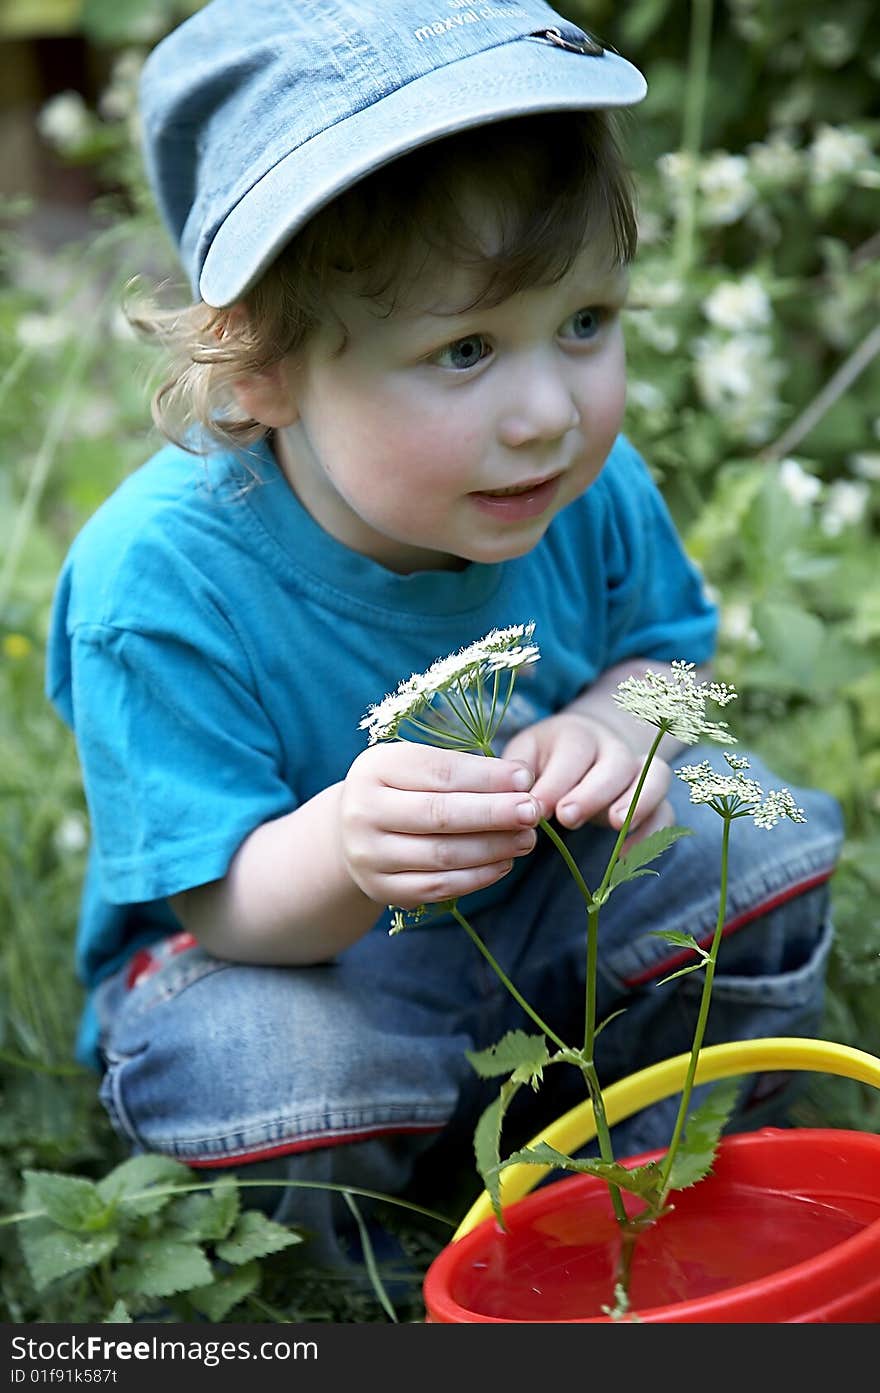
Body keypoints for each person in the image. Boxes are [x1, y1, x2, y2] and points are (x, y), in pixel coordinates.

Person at [46, 0, 843, 1276]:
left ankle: (645, 1157)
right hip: (305, 971)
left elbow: (678, 665)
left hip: (541, 926)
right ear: (260, 369)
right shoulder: (159, 578)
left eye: (585, 322)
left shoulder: (581, 481)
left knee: (751, 836)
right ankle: (381, 1256)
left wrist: (617, 721)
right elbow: (220, 901)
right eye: (465, 348)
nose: (548, 412)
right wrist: (348, 846)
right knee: (263, 1064)